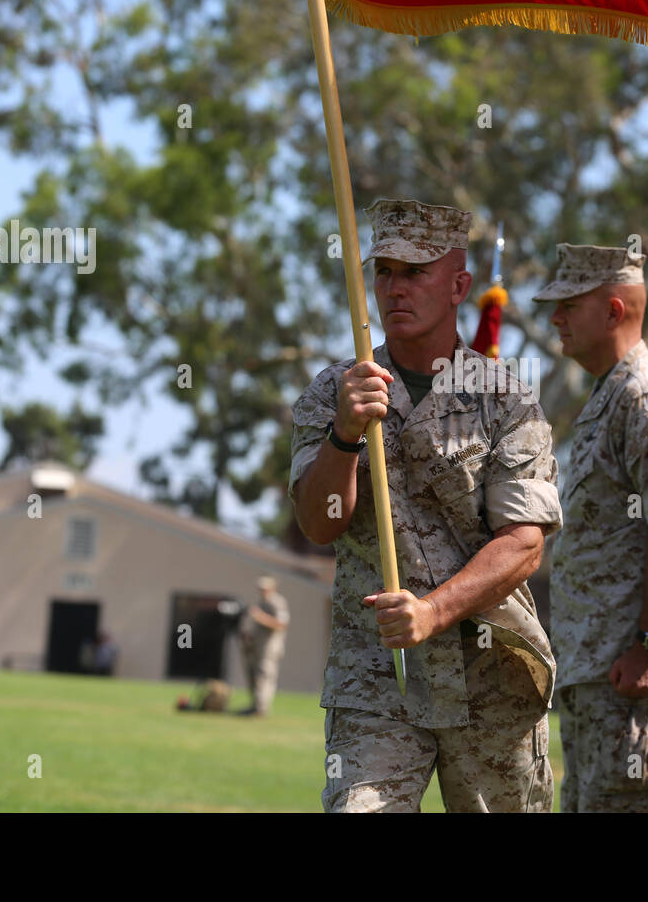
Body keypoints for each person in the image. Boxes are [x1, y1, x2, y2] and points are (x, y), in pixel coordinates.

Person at [289, 198, 561, 813]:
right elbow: (318, 523)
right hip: (378, 677)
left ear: (460, 284)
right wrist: (343, 435)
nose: (394, 288)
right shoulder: (335, 391)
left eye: (415, 272)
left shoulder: (507, 401)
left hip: (492, 675)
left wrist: (433, 611)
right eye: (382, 271)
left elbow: (523, 544)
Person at [534, 243, 648, 813]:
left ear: (613, 311)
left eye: (569, 306)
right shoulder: (610, 393)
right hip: (600, 667)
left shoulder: (645, 394)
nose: (555, 318)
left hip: (632, 672)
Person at [239, 576, 290, 716]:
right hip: (257, 646)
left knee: (264, 675)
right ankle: (255, 705)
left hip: (269, 647)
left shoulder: (277, 602)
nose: (261, 590)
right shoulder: (262, 602)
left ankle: (261, 708)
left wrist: (260, 617)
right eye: (260, 588)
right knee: (254, 675)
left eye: (264, 588)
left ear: (272, 588)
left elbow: (281, 624)